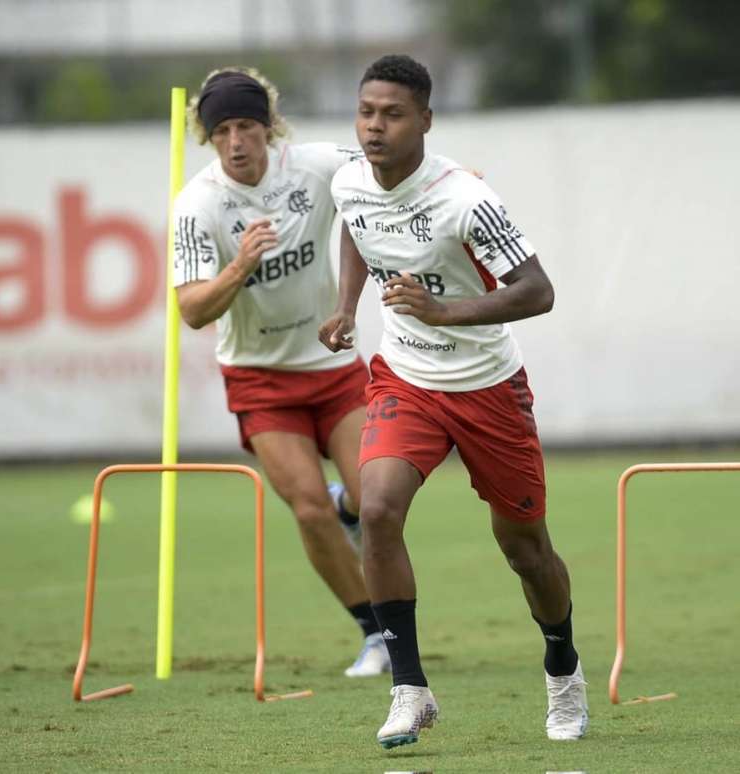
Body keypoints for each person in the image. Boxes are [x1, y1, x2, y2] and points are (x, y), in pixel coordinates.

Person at [319, 55, 588, 747]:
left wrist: (442, 313)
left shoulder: (465, 197)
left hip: (489, 387)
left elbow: (538, 290)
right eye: (367, 112)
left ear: (426, 122)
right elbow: (354, 222)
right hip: (405, 378)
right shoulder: (349, 179)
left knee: (525, 550)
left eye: (393, 114)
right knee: (374, 507)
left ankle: (563, 666)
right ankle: (409, 688)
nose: (375, 126)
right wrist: (347, 305)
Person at [172, 66, 390, 678]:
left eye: (246, 126)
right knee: (309, 508)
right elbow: (192, 311)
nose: (236, 141)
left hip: (334, 366)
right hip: (260, 378)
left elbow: (389, 165)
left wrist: (449, 181)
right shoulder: (197, 205)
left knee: (380, 503)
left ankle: (353, 505)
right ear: (208, 138)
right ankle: (374, 633)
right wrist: (239, 266)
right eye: (222, 132)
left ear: (268, 128)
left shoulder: (316, 165)